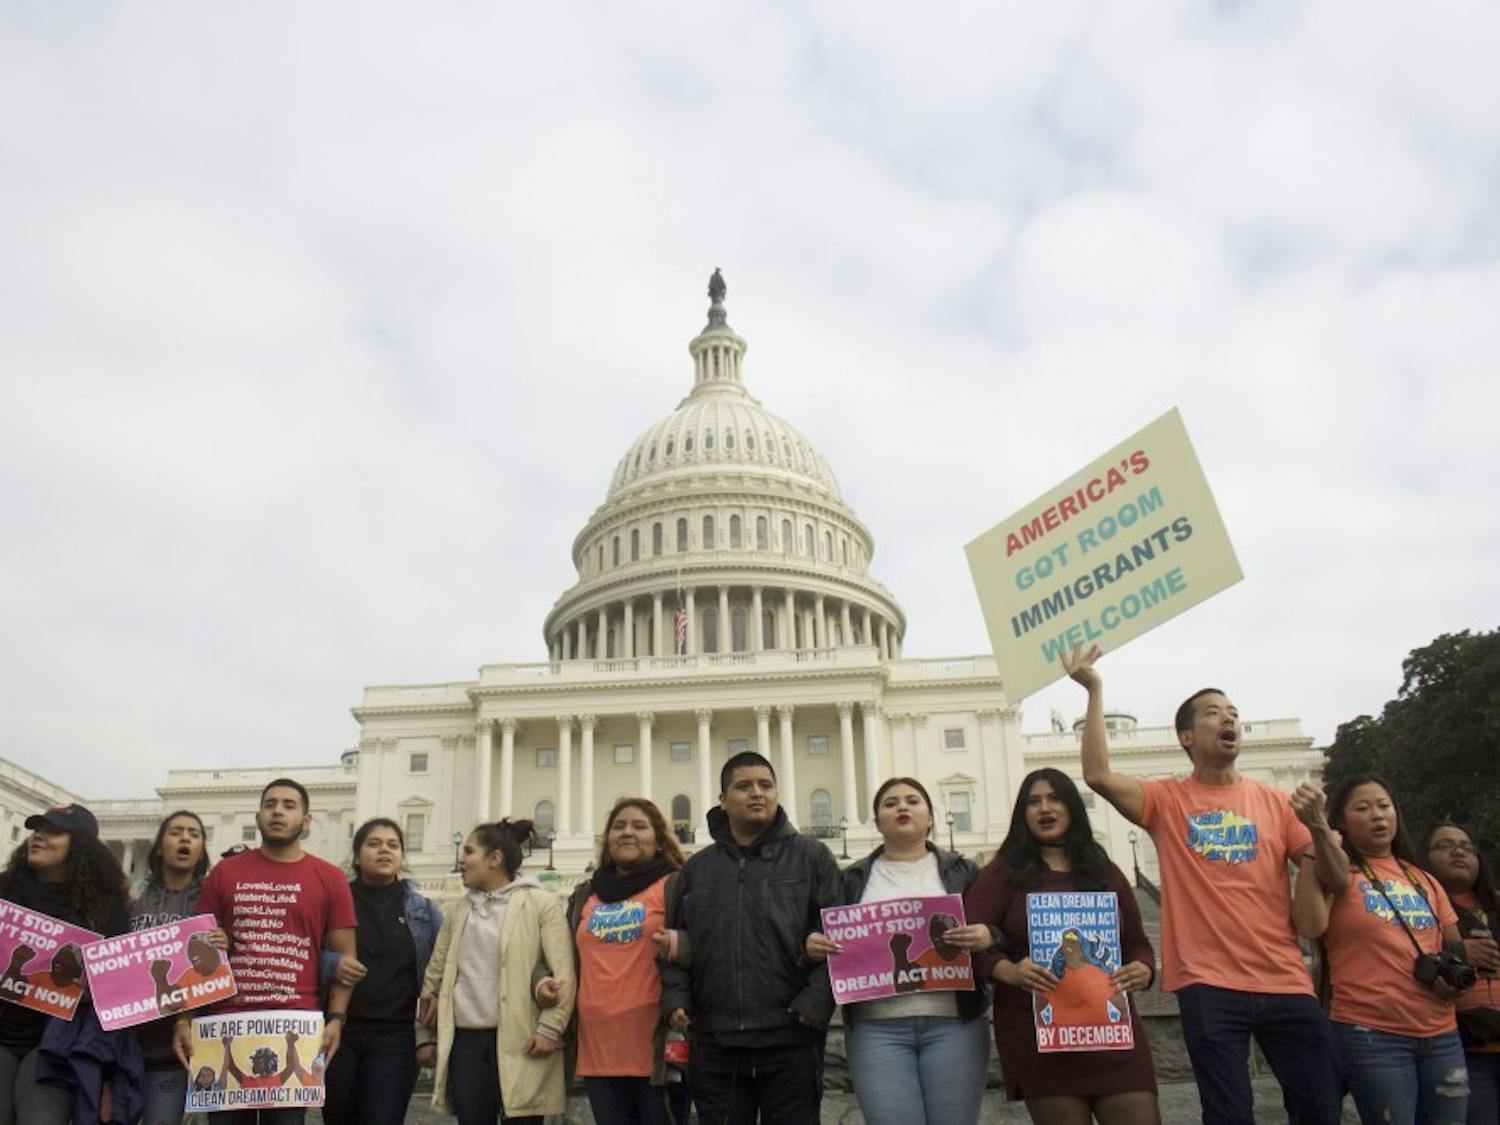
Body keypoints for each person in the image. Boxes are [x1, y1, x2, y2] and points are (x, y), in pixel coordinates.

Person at [1061, 644, 1346, 1124]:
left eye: (1233, 712)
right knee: (1227, 1113)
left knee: (1321, 1103)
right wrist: (1095, 690)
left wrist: (1319, 827)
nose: (1228, 719)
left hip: (1284, 979)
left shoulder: (1277, 803)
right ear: (1187, 736)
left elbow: (1338, 878)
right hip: (1208, 984)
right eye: (1214, 713)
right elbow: (1098, 775)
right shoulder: (1168, 800)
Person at [658, 750, 843, 1125]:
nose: (757, 793)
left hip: (791, 1036)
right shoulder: (696, 870)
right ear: (723, 800)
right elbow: (675, 945)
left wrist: (815, 1003)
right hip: (716, 1040)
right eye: (744, 787)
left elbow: (840, 938)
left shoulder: (813, 858)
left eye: (766, 785)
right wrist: (677, 997)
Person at [965, 768, 1158, 1124]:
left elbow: (1138, 945)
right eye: (1034, 802)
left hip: (1112, 1036)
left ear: (1072, 807)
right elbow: (966, 944)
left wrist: (1143, 969)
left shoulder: (1104, 870)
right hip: (1041, 1038)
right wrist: (1008, 970)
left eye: (1055, 798)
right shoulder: (1001, 874)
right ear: (1022, 814)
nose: (1045, 808)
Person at [802, 776, 993, 1125]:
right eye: (890, 804)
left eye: (912, 800)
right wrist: (814, 942)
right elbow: (823, 932)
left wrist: (987, 935)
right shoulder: (852, 879)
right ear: (877, 822)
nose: (902, 807)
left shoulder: (966, 873)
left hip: (956, 1026)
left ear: (931, 817)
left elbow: (1000, 926)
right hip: (877, 1030)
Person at [179, 778, 358, 1125]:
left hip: (295, 1025)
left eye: (289, 805)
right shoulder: (224, 873)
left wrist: (337, 1019)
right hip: (225, 1025)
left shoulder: (331, 878)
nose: (278, 811)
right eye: (270, 804)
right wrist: (184, 1020)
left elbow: (346, 959)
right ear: (259, 817)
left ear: (306, 821)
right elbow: (195, 950)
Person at [1298, 774, 1470, 1121]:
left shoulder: (1423, 879)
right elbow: (1310, 925)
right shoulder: (1338, 873)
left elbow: (1454, 946)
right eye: (1363, 808)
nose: (1378, 815)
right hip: (1372, 1036)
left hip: (1442, 1035)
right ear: (1342, 821)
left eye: (1384, 806)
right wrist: (1317, 838)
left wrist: (1453, 980)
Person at [538, 797, 690, 1124]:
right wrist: (543, 983)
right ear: (607, 839)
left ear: (659, 839)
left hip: (655, 1049)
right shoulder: (585, 895)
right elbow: (555, 955)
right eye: (618, 826)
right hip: (598, 1049)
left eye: (639, 826)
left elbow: (710, 943)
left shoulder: (675, 886)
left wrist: (681, 944)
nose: (627, 833)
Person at [419, 819, 574, 1124]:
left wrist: (550, 1028)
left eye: (469, 851)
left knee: (523, 1119)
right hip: (466, 1042)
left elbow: (563, 971)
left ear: (494, 859)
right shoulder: (459, 910)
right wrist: (424, 1034)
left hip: (522, 1037)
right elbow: (435, 974)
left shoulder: (541, 903)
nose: (461, 860)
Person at [0, 802, 132, 1125]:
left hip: (55, 1042)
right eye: (37, 830)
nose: (38, 838)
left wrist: (92, 989)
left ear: (80, 847)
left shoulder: (107, 908)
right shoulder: (4, 889)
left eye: (53, 832)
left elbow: (116, 988)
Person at [319, 817, 444, 1125]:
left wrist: (432, 1020)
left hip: (396, 1036)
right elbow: (302, 954)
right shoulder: (330, 903)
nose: (384, 851)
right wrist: (332, 964)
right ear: (357, 855)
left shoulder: (424, 911)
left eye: (393, 845)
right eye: (374, 844)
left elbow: (443, 967)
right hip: (336, 1033)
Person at [131, 809, 225, 1125]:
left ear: (201, 849)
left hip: (176, 1050)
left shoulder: (213, 903)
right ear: (159, 845)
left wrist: (227, 943)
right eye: (176, 832)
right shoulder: (132, 898)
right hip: (127, 1044)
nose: (185, 838)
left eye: (194, 834)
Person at [1423, 822, 1500, 1124]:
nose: (1458, 851)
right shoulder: (1420, 907)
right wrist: (1458, 950)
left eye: (1466, 847)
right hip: (1463, 1048)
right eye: (1445, 845)